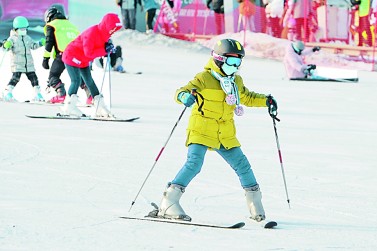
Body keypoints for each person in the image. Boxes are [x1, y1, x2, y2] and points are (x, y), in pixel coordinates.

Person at [150, 38, 278, 222]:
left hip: (224, 133)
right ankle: (168, 202)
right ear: (219, 59)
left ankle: (255, 205)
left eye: (239, 62)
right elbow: (181, 91)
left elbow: (247, 97)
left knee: (243, 166)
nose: (235, 66)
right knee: (194, 164)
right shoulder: (205, 78)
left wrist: (266, 100)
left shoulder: (236, 81)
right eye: (232, 61)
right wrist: (184, 96)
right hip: (201, 129)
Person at [61, 13, 122, 117]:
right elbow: (88, 52)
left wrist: (107, 47)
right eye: (112, 29)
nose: (112, 32)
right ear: (107, 25)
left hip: (83, 60)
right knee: (76, 81)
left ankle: (100, 106)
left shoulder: (104, 35)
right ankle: (69, 108)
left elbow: (98, 48)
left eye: (114, 29)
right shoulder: (92, 33)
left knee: (89, 81)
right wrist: (104, 50)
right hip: (72, 56)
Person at [2, 16, 46, 102]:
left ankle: (37, 94)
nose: (24, 30)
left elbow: (33, 46)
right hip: (17, 63)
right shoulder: (12, 39)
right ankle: (8, 93)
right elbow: (5, 48)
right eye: (22, 29)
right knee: (15, 78)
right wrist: (5, 45)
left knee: (34, 78)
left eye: (25, 29)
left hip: (28, 64)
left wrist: (40, 43)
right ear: (16, 29)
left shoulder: (27, 38)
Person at [42, 6, 80, 104]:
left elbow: (49, 43)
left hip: (64, 55)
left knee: (53, 76)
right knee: (78, 77)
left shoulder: (52, 25)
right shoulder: (71, 25)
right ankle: (90, 97)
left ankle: (61, 94)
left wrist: (45, 59)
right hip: (77, 54)